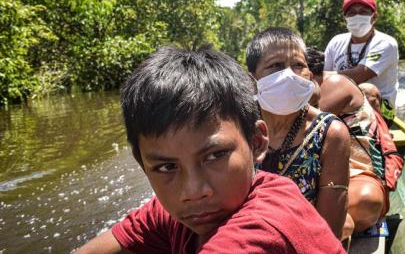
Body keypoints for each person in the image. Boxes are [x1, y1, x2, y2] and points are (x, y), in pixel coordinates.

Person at [74, 47, 345, 253]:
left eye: (215, 156)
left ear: (256, 142)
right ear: (142, 164)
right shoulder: (172, 211)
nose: (193, 191)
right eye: (167, 167)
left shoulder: (266, 222)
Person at [246, 28, 351, 239]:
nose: (289, 74)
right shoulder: (238, 127)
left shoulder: (331, 133)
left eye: (298, 65)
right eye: (275, 66)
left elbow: (328, 231)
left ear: (310, 76)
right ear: (252, 80)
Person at [306, 47, 389, 240]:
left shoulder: (334, 83)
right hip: (321, 173)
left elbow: (302, 122)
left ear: (310, 74)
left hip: (357, 173)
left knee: (365, 200)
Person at [324, 0, 399, 121]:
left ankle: (376, 135)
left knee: (367, 90)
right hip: (344, 102)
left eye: (363, 12)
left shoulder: (386, 43)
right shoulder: (336, 41)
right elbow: (323, 73)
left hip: (383, 110)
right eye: (352, 13)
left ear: (374, 17)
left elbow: (359, 75)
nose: (357, 16)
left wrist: (318, 76)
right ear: (345, 18)